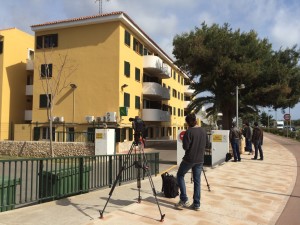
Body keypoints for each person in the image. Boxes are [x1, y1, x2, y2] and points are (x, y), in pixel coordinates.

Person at [175, 113, 208, 211]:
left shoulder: (188, 132)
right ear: (196, 120)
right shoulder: (203, 131)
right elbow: (208, 144)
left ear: (187, 123)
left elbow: (185, 147)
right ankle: (196, 204)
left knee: (180, 175)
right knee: (197, 181)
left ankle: (184, 199)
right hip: (200, 159)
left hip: (189, 159)